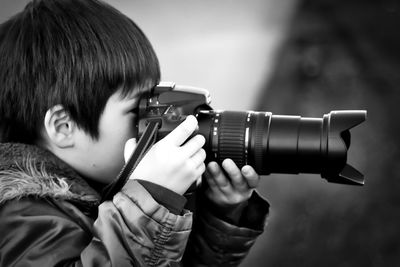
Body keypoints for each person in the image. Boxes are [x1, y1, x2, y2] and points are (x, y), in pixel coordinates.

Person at [0, 0, 270, 266]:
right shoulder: (18, 216)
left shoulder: (94, 185)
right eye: (135, 110)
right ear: (64, 126)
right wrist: (150, 203)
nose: (151, 122)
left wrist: (220, 214)